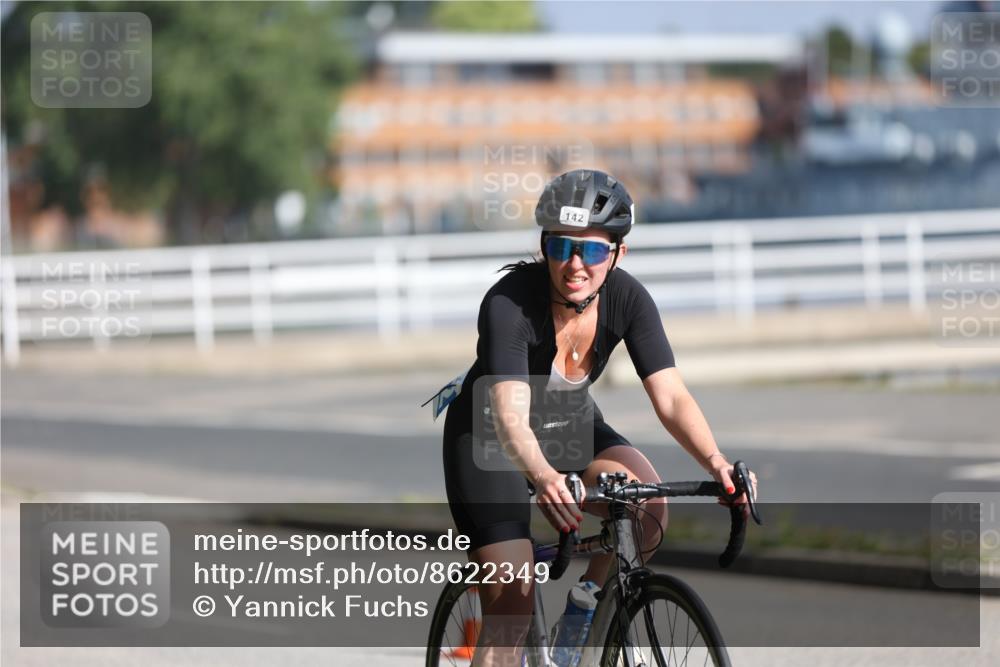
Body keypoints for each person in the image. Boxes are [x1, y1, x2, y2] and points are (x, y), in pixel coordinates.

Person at [439, 169, 757, 666]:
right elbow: (508, 417)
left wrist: (716, 462)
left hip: (567, 422)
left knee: (646, 509)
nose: (574, 265)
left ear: (617, 253)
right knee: (511, 608)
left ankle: (582, 613)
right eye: (561, 247)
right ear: (544, 247)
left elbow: (671, 398)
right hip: (489, 437)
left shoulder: (628, 299)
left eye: (590, 250)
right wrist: (544, 477)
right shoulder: (509, 304)